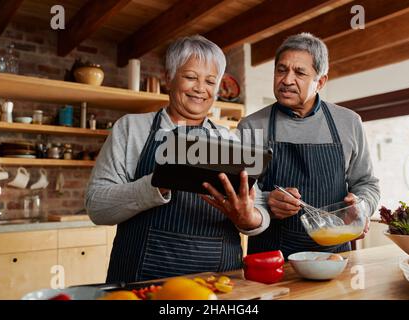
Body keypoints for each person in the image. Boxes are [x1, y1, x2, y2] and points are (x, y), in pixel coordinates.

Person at [85, 35, 270, 283]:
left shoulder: (231, 141)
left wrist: (250, 219)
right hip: (143, 281)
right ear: (168, 78)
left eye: (210, 81)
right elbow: (97, 207)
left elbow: (261, 209)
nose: (200, 88)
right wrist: (158, 183)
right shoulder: (131, 129)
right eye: (191, 77)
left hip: (220, 283)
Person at [238, 33, 380, 258]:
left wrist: (362, 206)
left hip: (335, 258)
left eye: (300, 73)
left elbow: (367, 183)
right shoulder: (251, 126)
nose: (286, 80)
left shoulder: (349, 122)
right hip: (272, 260)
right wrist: (267, 202)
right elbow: (243, 194)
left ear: (320, 81)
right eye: (281, 70)